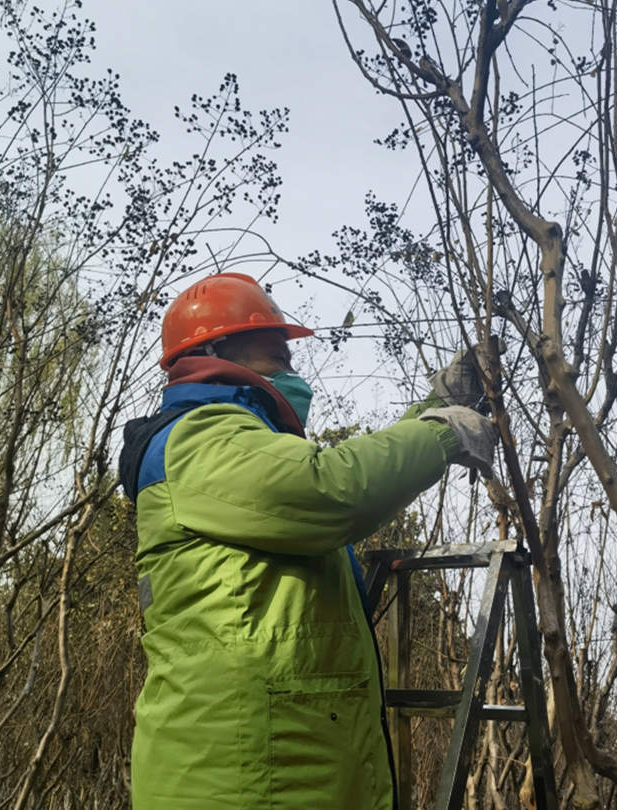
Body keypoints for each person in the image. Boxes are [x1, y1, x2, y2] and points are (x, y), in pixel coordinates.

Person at [119, 273, 495, 809]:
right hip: (237, 780)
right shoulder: (199, 436)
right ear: (216, 352)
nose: (293, 371)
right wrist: (440, 432)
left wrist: (433, 406)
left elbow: (319, 486)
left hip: (269, 771)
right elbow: (328, 489)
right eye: (276, 353)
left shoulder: (238, 450)